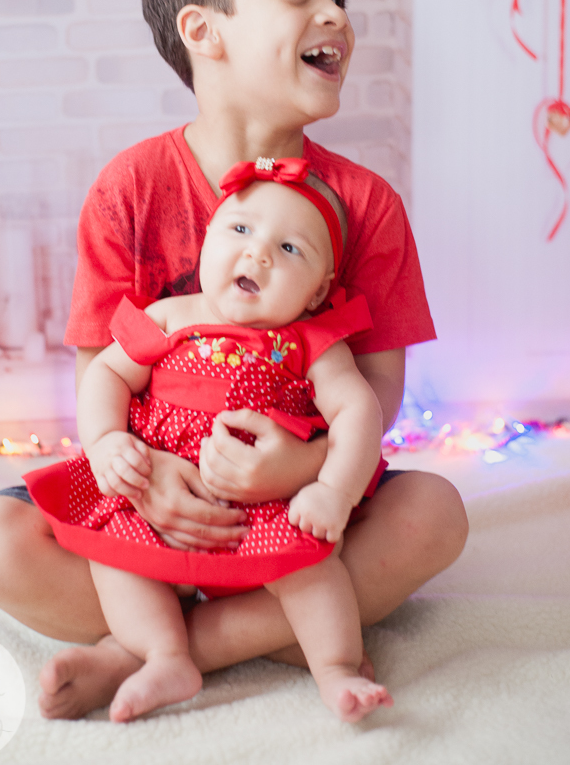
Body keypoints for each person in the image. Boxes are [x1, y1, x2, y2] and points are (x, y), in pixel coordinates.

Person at [0, 0, 468, 722]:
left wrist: (305, 471)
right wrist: (141, 473)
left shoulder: (363, 204)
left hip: (297, 500)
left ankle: (153, 650)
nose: (335, 15)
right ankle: (282, 629)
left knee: (433, 516)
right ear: (203, 31)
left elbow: (375, 387)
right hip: (152, 491)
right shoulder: (130, 186)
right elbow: (101, 372)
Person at [24, 158, 394, 723]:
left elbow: (359, 409)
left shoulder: (311, 342)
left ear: (319, 290)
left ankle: (337, 669)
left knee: (313, 568)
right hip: (154, 496)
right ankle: (166, 658)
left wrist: (333, 492)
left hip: (263, 511)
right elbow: (107, 373)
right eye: (240, 229)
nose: (258, 254)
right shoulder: (169, 317)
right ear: (206, 244)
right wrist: (105, 443)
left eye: (289, 248)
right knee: (112, 554)